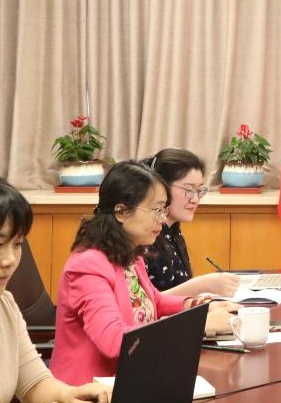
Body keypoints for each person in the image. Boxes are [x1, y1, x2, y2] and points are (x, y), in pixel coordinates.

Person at [50, 161, 239, 385]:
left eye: (163, 210)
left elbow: (154, 302)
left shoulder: (131, 254)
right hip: (91, 391)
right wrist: (199, 325)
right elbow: (114, 341)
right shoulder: (88, 266)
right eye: (156, 210)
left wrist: (202, 306)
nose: (162, 218)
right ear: (121, 212)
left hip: (135, 377)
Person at [0, 172, 110, 403]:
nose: (10, 260)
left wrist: (68, 394)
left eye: (17, 244)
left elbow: (33, 382)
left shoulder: (2, 304)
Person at [143, 148, 239, 297]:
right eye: (188, 189)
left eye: (200, 190)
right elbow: (144, 304)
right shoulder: (144, 238)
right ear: (161, 187)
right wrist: (203, 285)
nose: (195, 199)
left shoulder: (173, 231)